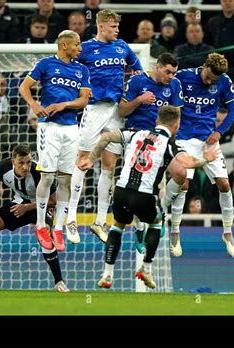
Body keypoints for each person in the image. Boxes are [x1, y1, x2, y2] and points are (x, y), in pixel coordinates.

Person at [78, 105, 220, 289]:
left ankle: (107, 274)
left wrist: (91, 158)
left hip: (121, 191)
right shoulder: (170, 144)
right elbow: (188, 163)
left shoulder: (137, 133)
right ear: (176, 126)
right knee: (156, 222)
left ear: (157, 121)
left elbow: (106, 137)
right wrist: (206, 159)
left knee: (118, 226)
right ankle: (146, 268)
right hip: (144, 196)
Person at [66, 10, 143, 244]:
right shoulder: (86, 48)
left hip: (116, 111)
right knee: (83, 161)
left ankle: (100, 221)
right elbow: (68, 68)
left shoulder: (123, 47)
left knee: (109, 167)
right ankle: (71, 218)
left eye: (118, 26)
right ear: (100, 27)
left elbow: (138, 71)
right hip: (94, 109)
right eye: (112, 26)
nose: (117, 30)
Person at [160, 52, 234, 258]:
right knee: (183, 183)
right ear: (204, 66)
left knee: (224, 184)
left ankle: (228, 232)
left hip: (207, 140)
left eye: (213, 80)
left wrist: (219, 132)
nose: (209, 81)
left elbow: (233, 110)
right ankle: (175, 231)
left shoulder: (224, 81)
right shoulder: (183, 77)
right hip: (183, 138)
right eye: (208, 77)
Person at [19, 30, 91, 250]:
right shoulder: (46, 64)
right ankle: (41, 225)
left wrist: (64, 105)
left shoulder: (82, 70)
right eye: (77, 45)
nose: (80, 48)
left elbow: (84, 100)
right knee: (48, 176)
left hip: (71, 128)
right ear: (64, 45)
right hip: (48, 127)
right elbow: (24, 87)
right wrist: (34, 105)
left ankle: (58, 228)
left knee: (66, 180)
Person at [0, 145, 69, 293]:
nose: (26, 167)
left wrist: (27, 207)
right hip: (20, 203)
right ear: (13, 161)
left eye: (28, 162)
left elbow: (54, 201)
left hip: (42, 206)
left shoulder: (39, 172)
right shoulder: (2, 168)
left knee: (44, 232)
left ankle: (59, 282)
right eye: (21, 162)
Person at [119, 52, 183, 252]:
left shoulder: (174, 85)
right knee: (134, 186)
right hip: (136, 138)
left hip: (160, 141)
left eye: (173, 73)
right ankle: (138, 228)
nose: (170, 76)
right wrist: (139, 100)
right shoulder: (137, 81)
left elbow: (176, 116)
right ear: (157, 66)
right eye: (167, 72)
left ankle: (159, 216)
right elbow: (122, 111)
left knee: (158, 187)